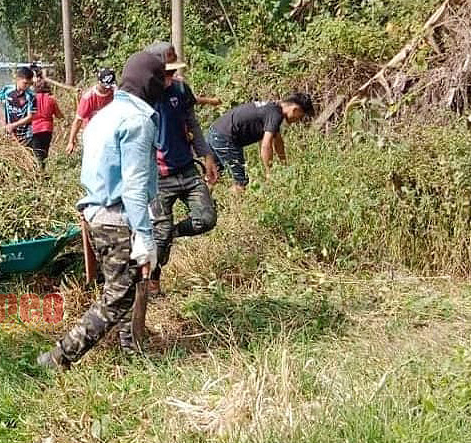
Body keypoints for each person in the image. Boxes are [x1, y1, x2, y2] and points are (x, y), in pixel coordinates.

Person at [36, 51, 169, 371]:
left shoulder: (103, 116)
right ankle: (59, 357)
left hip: (96, 215)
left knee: (129, 284)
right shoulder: (137, 121)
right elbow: (135, 185)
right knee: (118, 296)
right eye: (162, 79)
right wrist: (144, 234)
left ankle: (131, 349)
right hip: (118, 218)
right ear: (150, 82)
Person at [146, 52, 219, 300]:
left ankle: (171, 234)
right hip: (158, 177)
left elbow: (193, 124)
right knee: (159, 232)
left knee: (206, 219)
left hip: (187, 169)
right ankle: (152, 280)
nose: (170, 77)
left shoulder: (181, 90)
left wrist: (207, 155)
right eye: (165, 73)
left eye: (172, 72)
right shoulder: (143, 96)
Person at [207, 93, 315, 190]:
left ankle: (203, 206)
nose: (298, 121)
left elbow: (278, 141)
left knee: (214, 176)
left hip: (216, 132)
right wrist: (269, 173)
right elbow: (266, 144)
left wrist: (284, 164)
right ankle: (235, 209)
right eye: (300, 117)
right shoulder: (275, 114)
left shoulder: (272, 108)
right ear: (295, 110)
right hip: (226, 138)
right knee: (241, 183)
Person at [0, 66, 37, 146]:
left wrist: (13, 125)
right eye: (25, 83)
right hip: (10, 134)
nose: (27, 86)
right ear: (18, 79)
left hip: (26, 136)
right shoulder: (8, 90)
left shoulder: (31, 96)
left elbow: (30, 117)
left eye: (29, 83)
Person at [66, 68, 116, 155]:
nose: (107, 89)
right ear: (99, 82)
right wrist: (71, 141)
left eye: (109, 86)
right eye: (104, 87)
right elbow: (78, 120)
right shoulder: (88, 98)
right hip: (92, 133)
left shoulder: (115, 93)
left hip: (110, 133)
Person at [30, 78, 65, 164]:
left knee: (36, 153)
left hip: (34, 129)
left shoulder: (31, 99)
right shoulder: (51, 99)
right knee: (44, 153)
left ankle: (39, 173)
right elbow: (59, 115)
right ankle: (43, 172)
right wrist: (64, 118)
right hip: (47, 129)